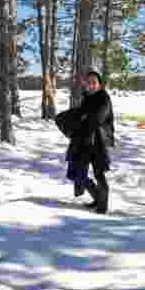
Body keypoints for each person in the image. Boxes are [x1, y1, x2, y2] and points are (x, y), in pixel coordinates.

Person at [61, 71, 116, 214]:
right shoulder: (87, 98)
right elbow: (80, 115)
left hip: (99, 141)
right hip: (85, 140)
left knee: (99, 173)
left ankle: (102, 206)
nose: (90, 85)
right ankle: (98, 197)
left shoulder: (104, 98)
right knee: (77, 172)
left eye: (94, 82)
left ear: (99, 84)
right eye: (88, 82)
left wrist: (83, 119)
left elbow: (98, 118)